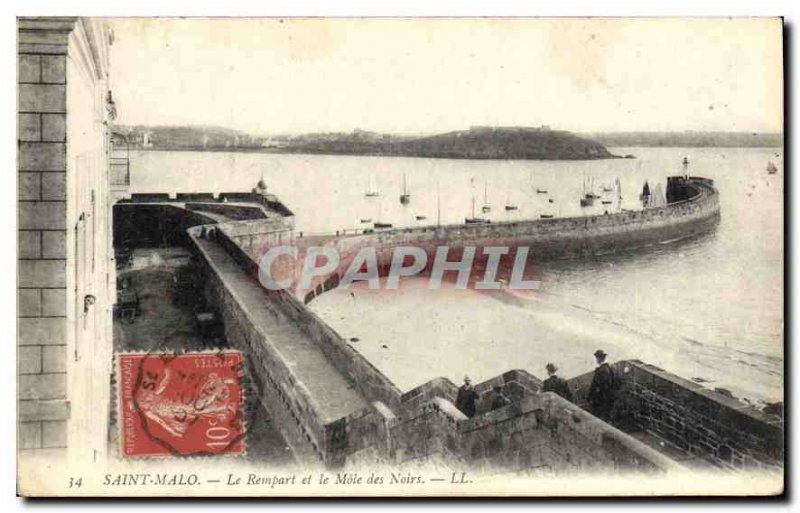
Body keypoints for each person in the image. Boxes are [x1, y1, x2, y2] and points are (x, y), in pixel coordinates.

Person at [588, 349, 616, 421]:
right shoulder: (608, 368)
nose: (596, 359)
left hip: (601, 396)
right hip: (606, 395)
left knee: (597, 413)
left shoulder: (602, 370)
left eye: (597, 358)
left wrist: (592, 395)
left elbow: (600, 385)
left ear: (599, 358)